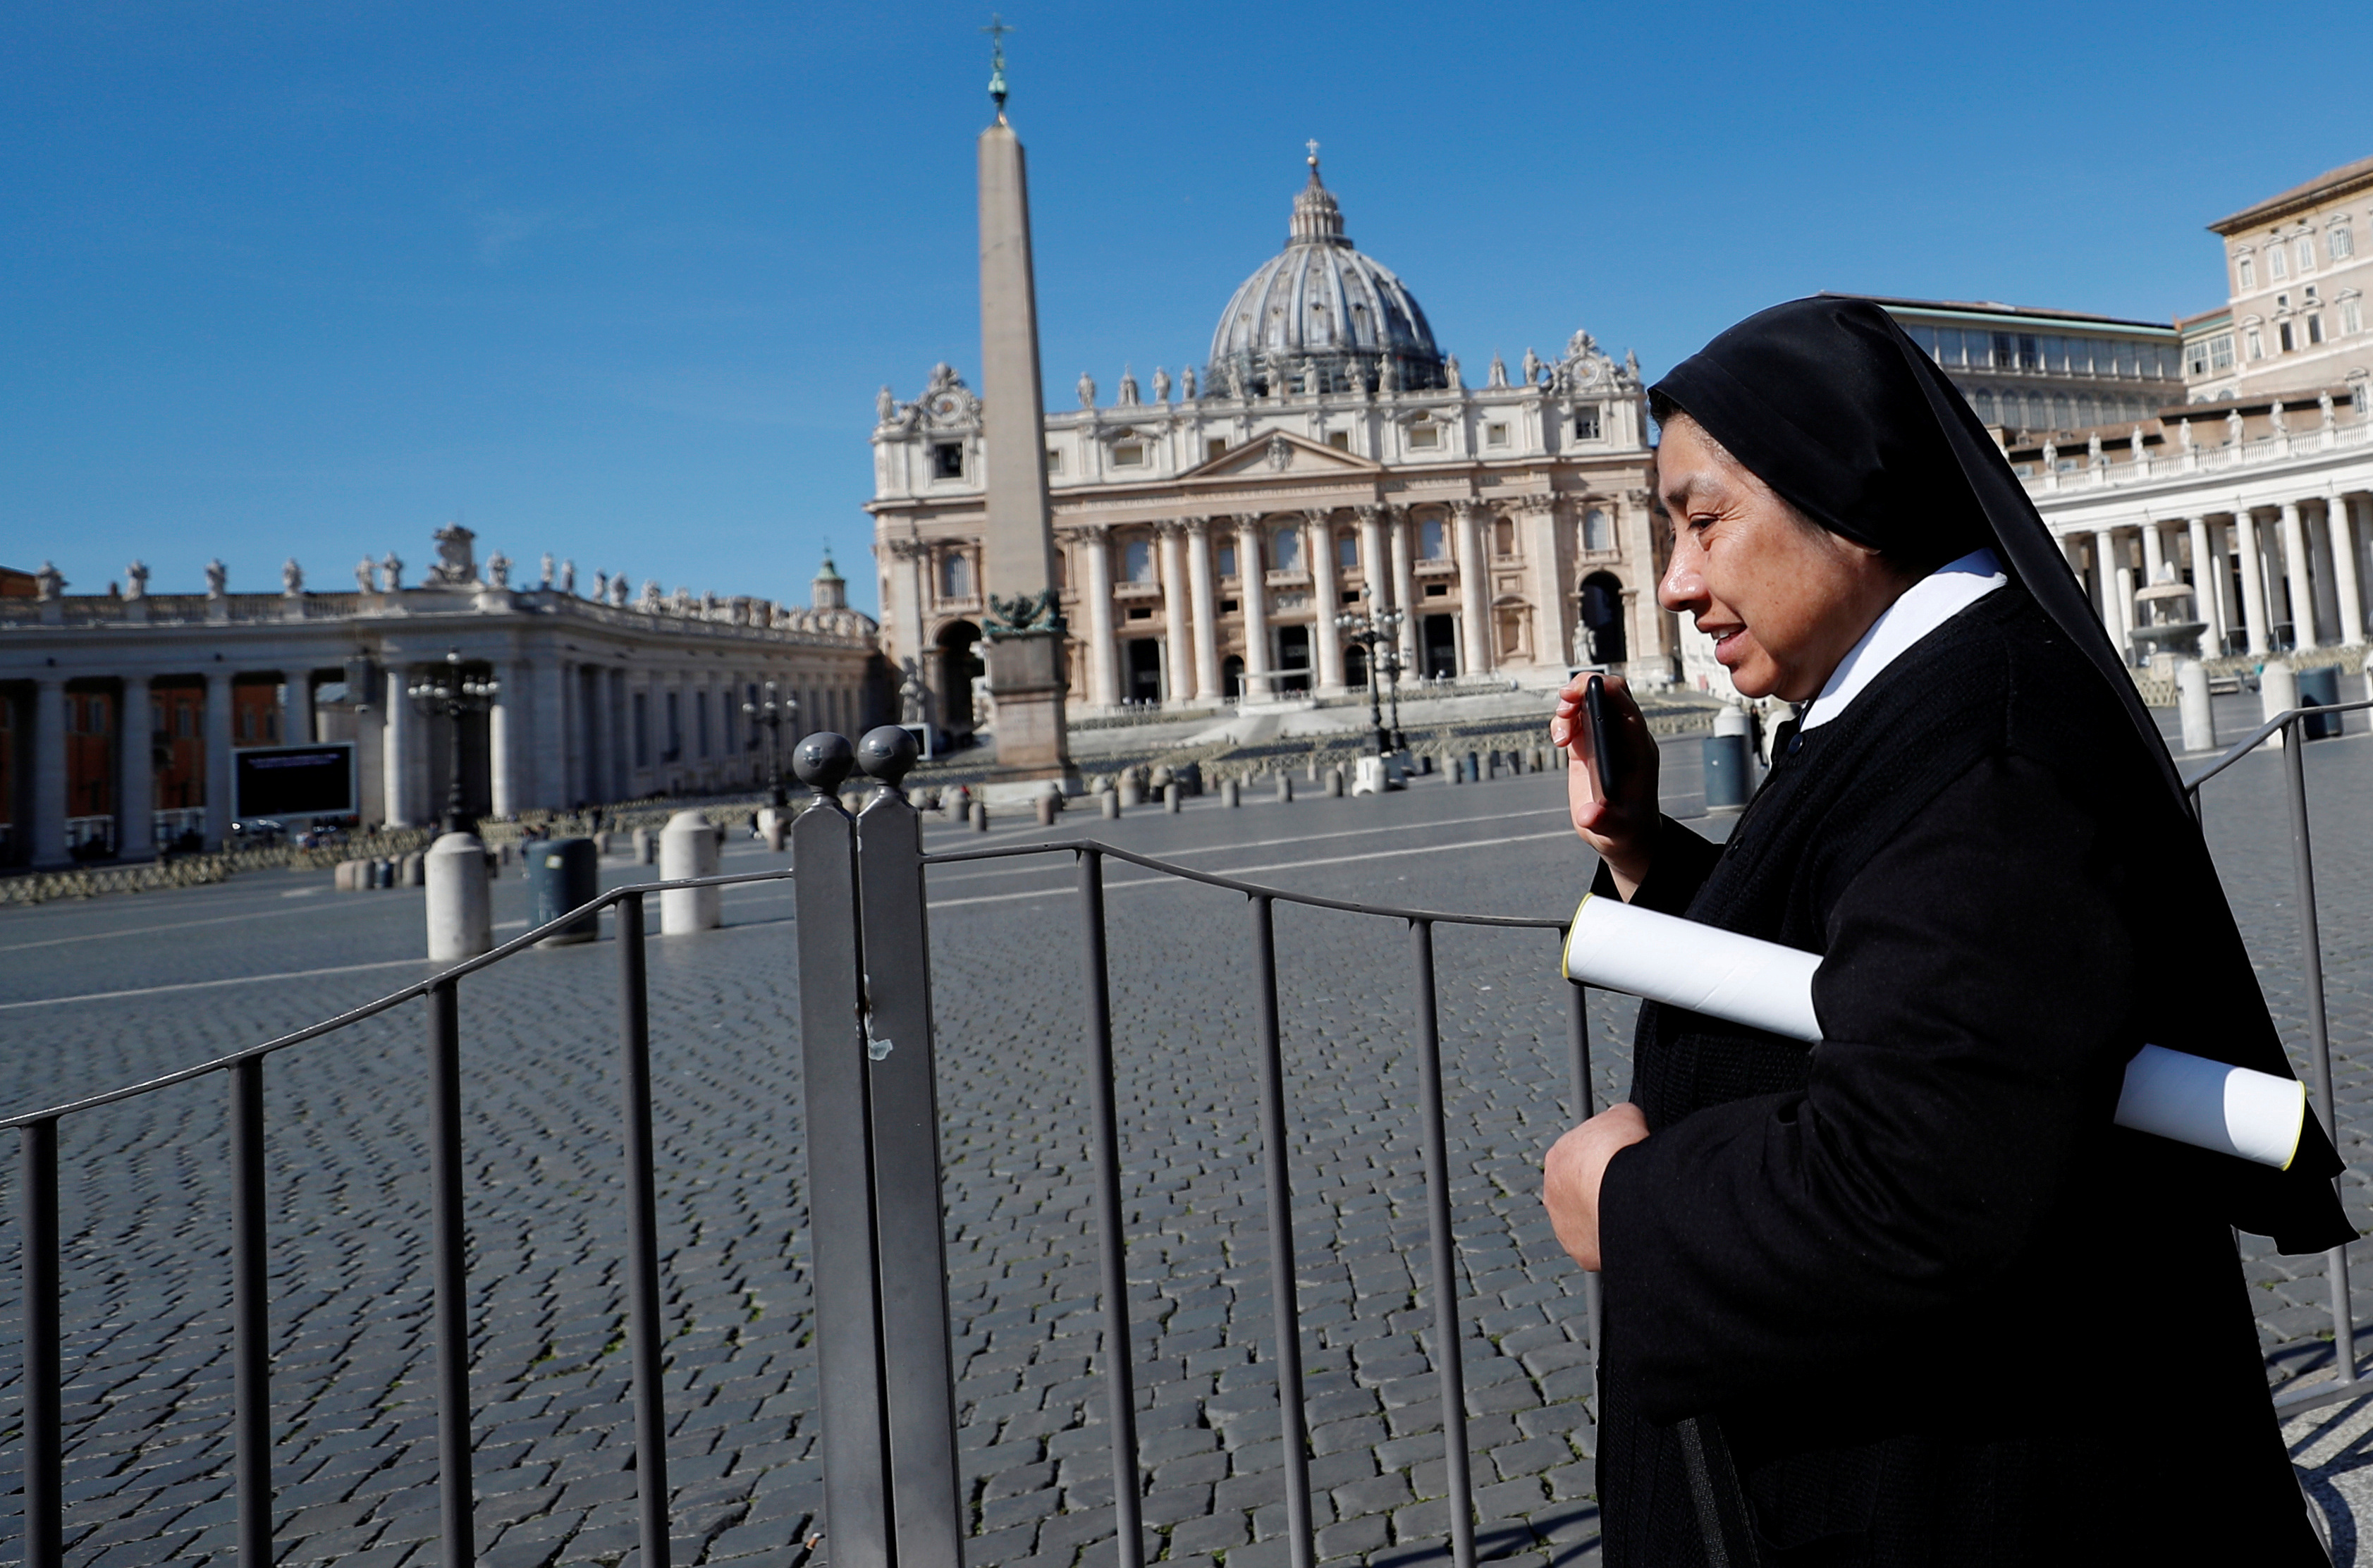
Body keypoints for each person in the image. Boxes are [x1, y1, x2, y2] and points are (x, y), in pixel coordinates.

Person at [1540, 297, 2348, 1565]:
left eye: (1704, 522)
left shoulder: (1992, 745)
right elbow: (1856, 970)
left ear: (1844, 494)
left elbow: (1920, 1176)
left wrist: (1628, 1207)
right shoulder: (1924, 698)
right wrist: (1642, 849)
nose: (1676, 582)